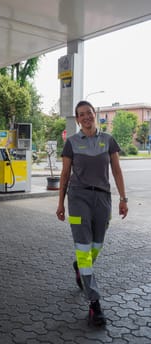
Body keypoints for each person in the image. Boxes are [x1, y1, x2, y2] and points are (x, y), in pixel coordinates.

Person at [56, 100, 128, 326]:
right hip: (78, 198)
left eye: (89, 113)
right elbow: (65, 175)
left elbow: (116, 170)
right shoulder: (72, 143)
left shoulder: (108, 140)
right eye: (81, 115)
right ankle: (94, 304)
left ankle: (79, 266)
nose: (86, 117)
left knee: (97, 245)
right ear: (77, 120)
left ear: (95, 115)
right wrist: (60, 203)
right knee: (85, 249)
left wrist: (123, 199)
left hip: (103, 198)